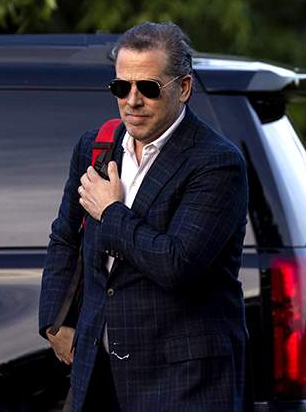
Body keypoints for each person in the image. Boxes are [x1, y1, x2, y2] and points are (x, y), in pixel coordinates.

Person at [38, 22, 249, 412]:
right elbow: (65, 236)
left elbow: (177, 263)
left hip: (183, 381)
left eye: (148, 88)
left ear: (183, 88)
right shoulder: (95, 147)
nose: (132, 101)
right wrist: (56, 320)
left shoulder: (217, 163)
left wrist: (111, 212)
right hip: (97, 370)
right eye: (122, 87)